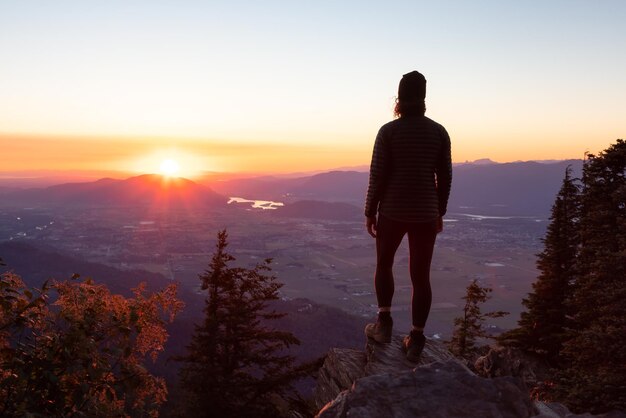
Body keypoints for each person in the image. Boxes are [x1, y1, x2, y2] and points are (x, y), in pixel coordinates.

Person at [364, 70, 452, 362]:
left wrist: (369, 211)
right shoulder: (438, 132)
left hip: (392, 209)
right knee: (421, 276)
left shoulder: (388, 132)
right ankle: (416, 340)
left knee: (384, 264)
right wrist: (439, 211)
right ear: (424, 97)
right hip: (426, 212)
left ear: (399, 98)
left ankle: (384, 325)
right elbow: (445, 177)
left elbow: (377, 175)